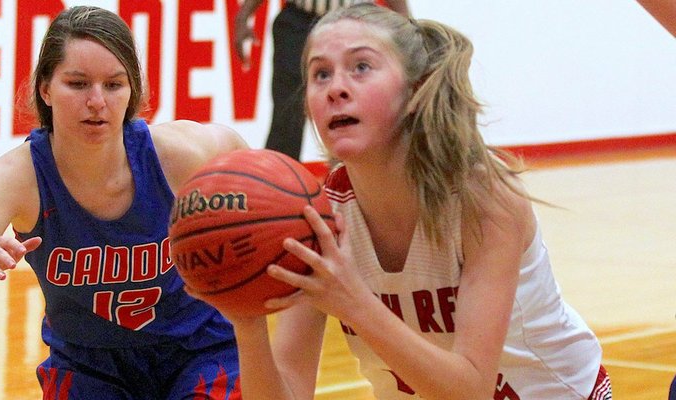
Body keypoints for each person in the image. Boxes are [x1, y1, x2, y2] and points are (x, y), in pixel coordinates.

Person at [218, 4, 613, 399]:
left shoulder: (483, 195)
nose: (336, 87)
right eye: (320, 73)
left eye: (361, 67)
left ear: (416, 88)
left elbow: (470, 391)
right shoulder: (319, 220)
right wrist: (247, 325)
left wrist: (355, 303)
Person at [0, 6, 247, 399]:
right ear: (45, 89)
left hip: (198, 347)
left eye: (114, 85)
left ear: (132, 90)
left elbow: (241, 154)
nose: (97, 101)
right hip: (87, 364)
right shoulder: (18, 177)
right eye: (78, 84)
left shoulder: (177, 154)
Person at [233, 0, 411, 161]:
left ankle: (352, 186)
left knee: (355, 112)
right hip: (299, 21)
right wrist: (243, 16)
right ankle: (276, 185)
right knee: (287, 114)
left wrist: (406, 24)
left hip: (357, 24)